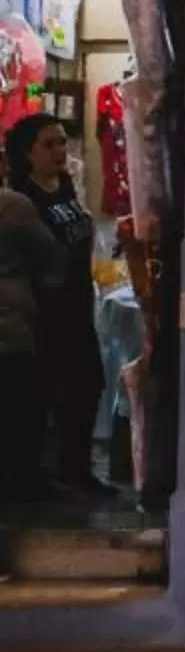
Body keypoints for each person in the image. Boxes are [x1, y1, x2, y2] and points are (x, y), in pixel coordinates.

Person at [3, 114, 99, 496]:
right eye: (49, 144)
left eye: (62, 142)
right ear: (29, 153)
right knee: (52, 391)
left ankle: (79, 468)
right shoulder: (24, 199)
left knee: (88, 385)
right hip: (47, 311)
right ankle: (48, 473)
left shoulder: (65, 188)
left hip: (78, 303)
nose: (60, 151)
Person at [0, 154, 59, 503]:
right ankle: (21, 484)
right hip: (9, 324)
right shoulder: (11, 205)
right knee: (19, 408)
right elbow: (50, 256)